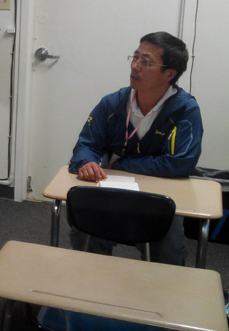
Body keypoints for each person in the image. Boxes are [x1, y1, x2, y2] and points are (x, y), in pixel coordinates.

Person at [67, 31, 203, 265]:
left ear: (169, 74)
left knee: (168, 252)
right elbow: (87, 144)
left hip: (159, 199)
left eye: (146, 62)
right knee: (85, 235)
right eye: (135, 57)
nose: (135, 66)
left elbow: (180, 163)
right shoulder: (113, 103)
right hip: (110, 191)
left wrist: (121, 165)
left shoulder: (184, 110)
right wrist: (86, 162)